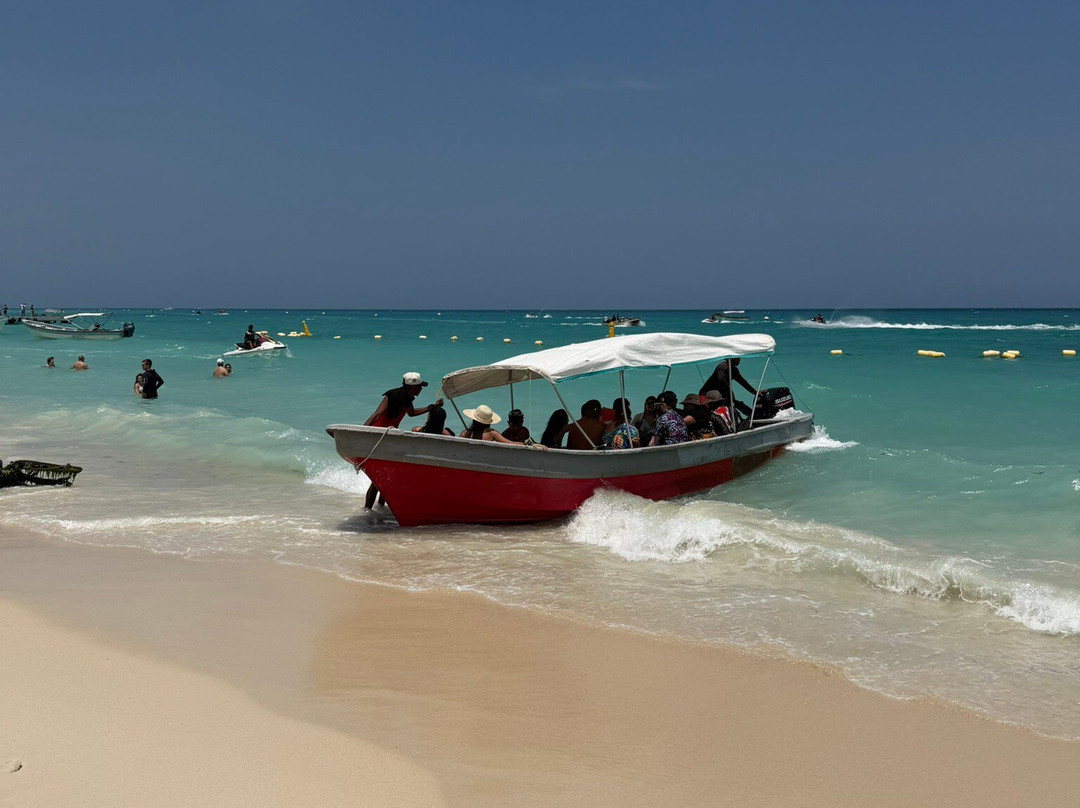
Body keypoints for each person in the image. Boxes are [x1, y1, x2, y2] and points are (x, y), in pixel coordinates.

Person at [363, 372, 443, 509]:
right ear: (412, 387)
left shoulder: (408, 398)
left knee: (385, 476)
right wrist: (363, 431)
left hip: (390, 438)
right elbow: (376, 414)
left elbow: (411, 414)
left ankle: (379, 508)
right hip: (379, 436)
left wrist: (431, 407)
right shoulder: (392, 395)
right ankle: (368, 509)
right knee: (379, 477)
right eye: (419, 387)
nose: (421, 389)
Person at [459, 405, 524, 443]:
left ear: (474, 420)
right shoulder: (491, 433)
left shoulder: (465, 433)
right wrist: (526, 444)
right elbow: (510, 444)